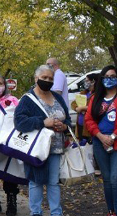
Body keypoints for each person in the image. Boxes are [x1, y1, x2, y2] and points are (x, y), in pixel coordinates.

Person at [14, 65, 70, 216]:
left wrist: (64, 126)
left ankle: (56, 213)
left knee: (53, 182)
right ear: (36, 78)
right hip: (37, 149)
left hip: (56, 148)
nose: (47, 80)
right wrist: (43, 122)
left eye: (50, 78)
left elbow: (68, 118)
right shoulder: (28, 99)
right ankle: (36, 213)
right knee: (36, 182)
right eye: (44, 78)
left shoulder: (57, 97)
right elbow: (19, 122)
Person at [84, 65, 117, 216]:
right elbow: (88, 119)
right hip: (100, 143)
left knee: (116, 178)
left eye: (113, 76)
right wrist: (100, 136)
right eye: (106, 77)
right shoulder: (95, 98)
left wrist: (113, 136)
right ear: (101, 79)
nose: (109, 79)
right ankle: (111, 211)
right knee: (107, 179)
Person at [0, 74, 20, 216]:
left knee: (9, 174)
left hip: (8, 143)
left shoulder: (13, 100)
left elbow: (19, 118)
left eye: (0, 83)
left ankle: (11, 202)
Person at [72, 73, 97, 141]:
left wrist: (83, 108)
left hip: (89, 126)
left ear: (93, 81)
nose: (85, 82)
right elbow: (73, 103)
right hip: (80, 123)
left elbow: (96, 107)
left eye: (87, 80)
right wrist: (77, 108)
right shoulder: (84, 93)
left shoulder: (97, 94)